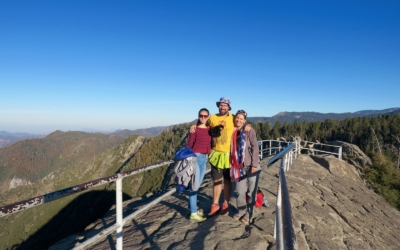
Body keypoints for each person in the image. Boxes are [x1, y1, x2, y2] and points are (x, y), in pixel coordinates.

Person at [191, 97, 251, 217]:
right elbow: (203, 123)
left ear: (229, 107)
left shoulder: (233, 117)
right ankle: (215, 204)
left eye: (225, 105)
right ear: (218, 106)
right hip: (216, 154)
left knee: (228, 181)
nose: (222, 107)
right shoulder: (212, 117)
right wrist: (194, 125)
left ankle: (225, 204)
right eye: (221, 105)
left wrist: (248, 124)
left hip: (229, 155)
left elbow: (241, 121)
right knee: (216, 180)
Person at [230, 110, 260, 225]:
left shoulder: (249, 130)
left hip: (251, 165)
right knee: (239, 190)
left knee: (251, 191)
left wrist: (254, 165)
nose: (238, 120)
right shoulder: (232, 130)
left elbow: (255, 148)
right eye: (237, 118)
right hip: (238, 166)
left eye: (241, 119)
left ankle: (249, 212)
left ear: (245, 120)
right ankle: (241, 210)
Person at [186, 108, 212, 222]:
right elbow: (190, 143)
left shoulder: (211, 129)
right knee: (194, 186)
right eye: (201, 116)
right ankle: (193, 213)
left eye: (205, 116)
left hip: (204, 158)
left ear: (208, 117)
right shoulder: (194, 129)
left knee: (196, 184)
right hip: (195, 157)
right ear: (198, 116)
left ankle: (191, 208)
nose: (203, 118)